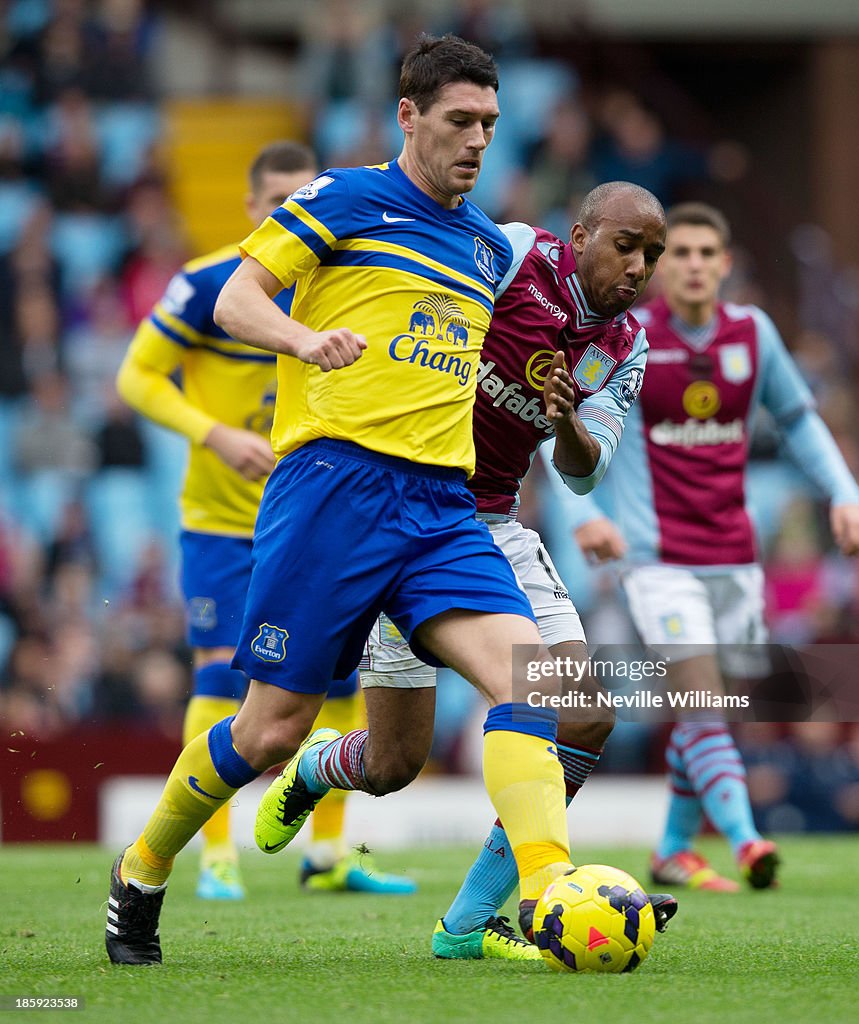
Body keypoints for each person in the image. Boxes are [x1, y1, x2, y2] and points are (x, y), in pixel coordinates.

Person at [105, 33, 573, 967]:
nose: (478, 141)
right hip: (332, 493)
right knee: (270, 728)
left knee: (538, 684)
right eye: (458, 122)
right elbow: (239, 302)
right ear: (408, 117)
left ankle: (550, 891)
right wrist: (303, 339)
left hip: (443, 508)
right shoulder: (346, 198)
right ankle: (143, 868)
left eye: (489, 123)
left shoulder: (488, 246)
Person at [354, 180, 671, 958]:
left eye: (651, 255)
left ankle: (470, 922)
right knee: (393, 763)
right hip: (412, 509)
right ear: (581, 233)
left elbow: (584, 472)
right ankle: (313, 772)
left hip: (494, 523)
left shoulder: (626, 346)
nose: (639, 267)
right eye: (625, 245)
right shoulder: (515, 252)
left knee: (588, 714)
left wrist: (565, 420)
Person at [545, 202, 859, 892]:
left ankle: (671, 848)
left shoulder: (752, 335)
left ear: (724, 265)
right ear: (662, 268)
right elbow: (560, 422)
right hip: (655, 560)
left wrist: (845, 493)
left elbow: (799, 419)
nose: (691, 265)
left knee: (715, 708)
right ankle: (748, 839)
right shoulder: (626, 340)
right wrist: (586, 513)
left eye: (704, 253)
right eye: (678, 254)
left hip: (735, 557)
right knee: (703, 702)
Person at [114, 141, 412, 903]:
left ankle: (330, 854)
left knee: (340, 679)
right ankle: (214, 853)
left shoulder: (347, 282)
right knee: (221, 672)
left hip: (315, 518)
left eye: (299, 201)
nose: (288, 215)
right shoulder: (210, 283)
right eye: (275, 202)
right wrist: (211, 432)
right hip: (222, 520)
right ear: (251, 209)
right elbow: (136, 375)